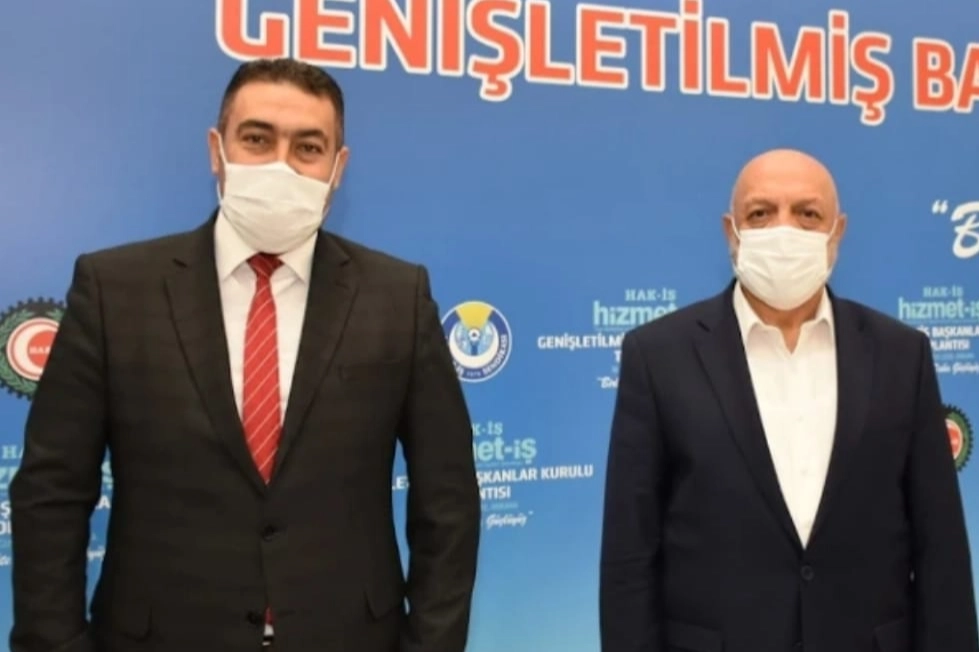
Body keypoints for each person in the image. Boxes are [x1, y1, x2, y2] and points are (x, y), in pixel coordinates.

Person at [9, 58, 480, 652]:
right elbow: (51, 494)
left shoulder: (398, 296)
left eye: (308, 148)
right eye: (257, 139)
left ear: (338, 168)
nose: (281, 165)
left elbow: (448, 501)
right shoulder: (113, 290)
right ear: (217, 150)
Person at [599, 148, 979, 652]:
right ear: (731, 232)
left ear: (837, 233)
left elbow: (941, 548)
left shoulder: (901, 354)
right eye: (761, 213)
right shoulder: (657, 356)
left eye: (808, 214)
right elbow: (630, 557)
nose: (784, 230)